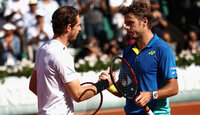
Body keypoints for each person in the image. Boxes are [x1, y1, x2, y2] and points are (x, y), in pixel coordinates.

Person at [29, 6, 112, 115]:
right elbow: (78, 94)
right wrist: (105, 84)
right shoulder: (61, 54)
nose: (80, 29)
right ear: (68, 27)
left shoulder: (43, 49)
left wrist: (59, 104)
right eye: (78, 25)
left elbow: (33, 86)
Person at [107, 2, 178, 114]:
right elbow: (124, 90)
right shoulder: (128, 52)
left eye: (130, 23)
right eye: (125, 23)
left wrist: (151, 94)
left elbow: (174, 87)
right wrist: (110, 84)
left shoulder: (163, 49)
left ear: (144, 21)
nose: (126, 27)